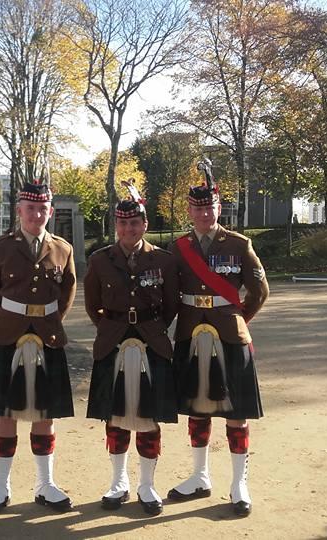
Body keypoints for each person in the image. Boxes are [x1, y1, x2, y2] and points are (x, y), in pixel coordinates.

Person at [167, 160, 269, 517]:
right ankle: (200, 475)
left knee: (236, 411)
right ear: (190, 211)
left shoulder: (239, 244)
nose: (204, 213)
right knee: (198, 408)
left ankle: (239, 482)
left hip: (229, 334)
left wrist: (238, 318)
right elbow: (169, 293)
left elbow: (259, 291)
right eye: (198, 208)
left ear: (218, 207)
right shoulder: (177, 248)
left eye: (209, 206)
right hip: (191, 334)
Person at [0, 179, 77, 516]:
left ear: (50, 211)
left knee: (45, 414)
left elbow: (67, 293)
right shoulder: (1, 248)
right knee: (6, 414)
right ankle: (0, 487)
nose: (36, 214)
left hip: (48, 337)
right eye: (30, 208)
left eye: (42, 208)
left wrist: (48, 321)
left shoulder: (63, 249)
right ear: (19, 210)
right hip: (10, 337)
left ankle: (44, 485)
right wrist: (10, 320)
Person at [83, 182, 179, 515]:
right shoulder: (99, 260)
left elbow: (170, 306)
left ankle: (147, 485)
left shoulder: (164, 261)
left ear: (145, 225)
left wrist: (149, 327)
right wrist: (112, 328)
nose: (128, 228)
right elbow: (92, 303)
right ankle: (118, 481)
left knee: (150, 417)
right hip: (112, 341)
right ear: (116, 226)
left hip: (152, 340)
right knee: (115, 415)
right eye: (123, 223)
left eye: (135, 223)